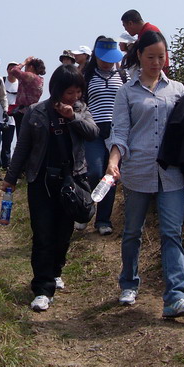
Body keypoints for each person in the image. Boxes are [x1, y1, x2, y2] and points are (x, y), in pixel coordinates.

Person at [106, 30, 184, 319]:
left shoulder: (177, 90)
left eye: (161, 57)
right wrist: (114, 161)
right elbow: (121, 132)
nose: (156, 62)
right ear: (139, 55)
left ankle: (175, 296)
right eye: (150, 57)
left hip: (171, 173)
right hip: (138, 170)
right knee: (132, 233)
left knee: (171, 234)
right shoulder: (126, 92)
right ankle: (129, 283)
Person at [1, 65, 99, 312]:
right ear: (56, 90)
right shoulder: (36, 112)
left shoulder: (81, 110)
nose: (74, 97)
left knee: (63, 233)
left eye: (78, 91)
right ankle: (42, 289)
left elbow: (93, 133)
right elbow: (22, 147)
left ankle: (55, 271)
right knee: (42, 233)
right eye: (69, 92)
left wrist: (72, 117)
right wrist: (11, 177)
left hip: (72, 182)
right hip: (41, 180)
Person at [78, 36, 127, 235]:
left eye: (111, 58)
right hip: (94, 131)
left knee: (110, 176)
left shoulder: (124, 76)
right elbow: (79, 102)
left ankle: (103, 221)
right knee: (94, 172)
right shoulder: (87, 77)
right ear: (95, 57)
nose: (107, 62)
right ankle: (83, 213)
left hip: (117, 132)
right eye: (103, 58)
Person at [8, 56, 46, 135]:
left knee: (22, 137)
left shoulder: (30, 76)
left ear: (31, 67)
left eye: (26, 67)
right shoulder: (39, 79)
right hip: (32, 111)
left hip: (23, 112)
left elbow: (14, 71)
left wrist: (25, 62)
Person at [1, 61, 20, 170]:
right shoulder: (2, 81)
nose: (12, 71)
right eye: (10, 68)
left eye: (15, 69)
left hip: (12, 118)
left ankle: (6, 164)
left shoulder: (21, 84)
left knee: (7, 142)